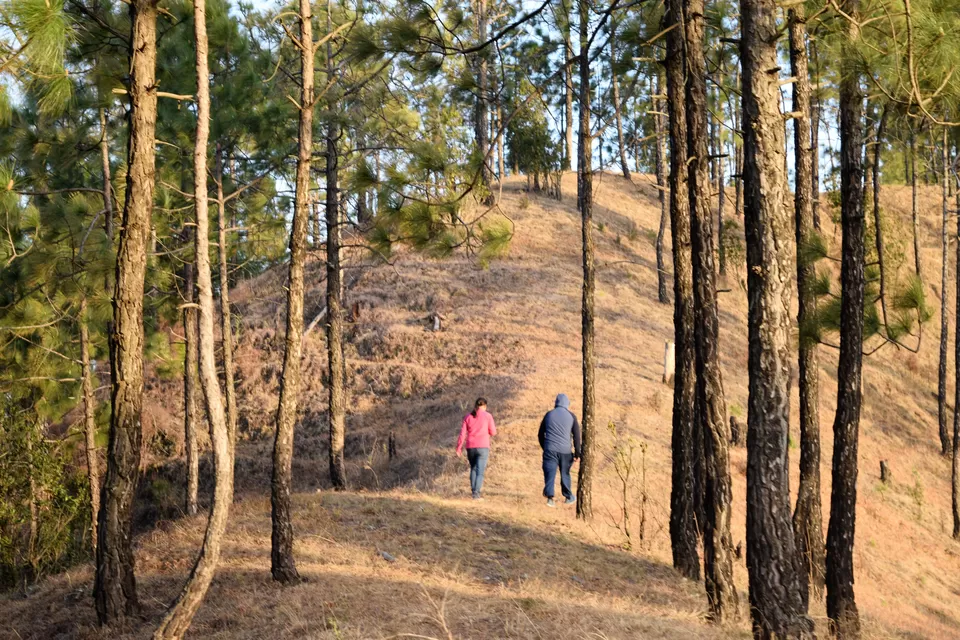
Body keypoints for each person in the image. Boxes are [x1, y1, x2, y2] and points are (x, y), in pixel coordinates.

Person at [538, 393, 581, 507]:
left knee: (550, 473)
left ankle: (550, 499)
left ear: (556, 403)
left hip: (550, 449)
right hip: (565, 451)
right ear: (567, 404)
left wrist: (545, 446)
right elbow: (576, 436)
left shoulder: (549, 415)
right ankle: (568, 497)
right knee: (565, 473)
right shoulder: (571, 416)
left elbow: (540, 434)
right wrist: (577, 453)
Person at [456, 397, 497, 500]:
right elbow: (493, 432)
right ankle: (476, 494)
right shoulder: (488, 416)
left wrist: (459, 448)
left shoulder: (468, 417)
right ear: (484, 406)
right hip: (483, 446)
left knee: (473, 469)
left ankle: (474, 492)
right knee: (480, 471)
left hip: (470, 447)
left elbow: (462, 434)